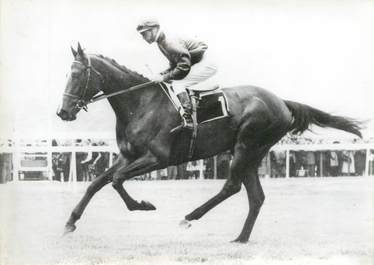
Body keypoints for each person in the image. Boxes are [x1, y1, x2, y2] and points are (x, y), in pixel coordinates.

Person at [136, 19, 218, 129]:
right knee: (172, 80)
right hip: (195, 60)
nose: (143, 37)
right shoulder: (161, 42)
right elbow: (174, 63)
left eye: (144, 34)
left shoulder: (169, 42)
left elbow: (184, 67)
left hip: (205, 62)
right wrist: (162, 74)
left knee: (178, 84)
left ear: (154, 30)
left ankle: (189, 119)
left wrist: (163, 77)